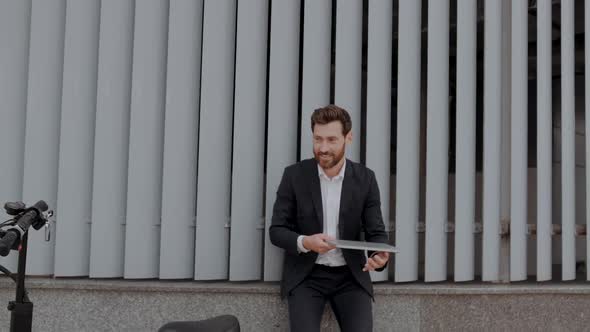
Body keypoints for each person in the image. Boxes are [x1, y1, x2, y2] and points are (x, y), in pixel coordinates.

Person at [269, 105, 390, 332]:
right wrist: (305, 242)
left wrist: (378, 256)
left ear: (348, 137)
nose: (323, 148)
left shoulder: (366, 179)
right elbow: (277, 230)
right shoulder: (294, 175)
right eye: (318, 139)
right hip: (307, 277)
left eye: (332, 140)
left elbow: (376, 232)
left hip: (350, 276)